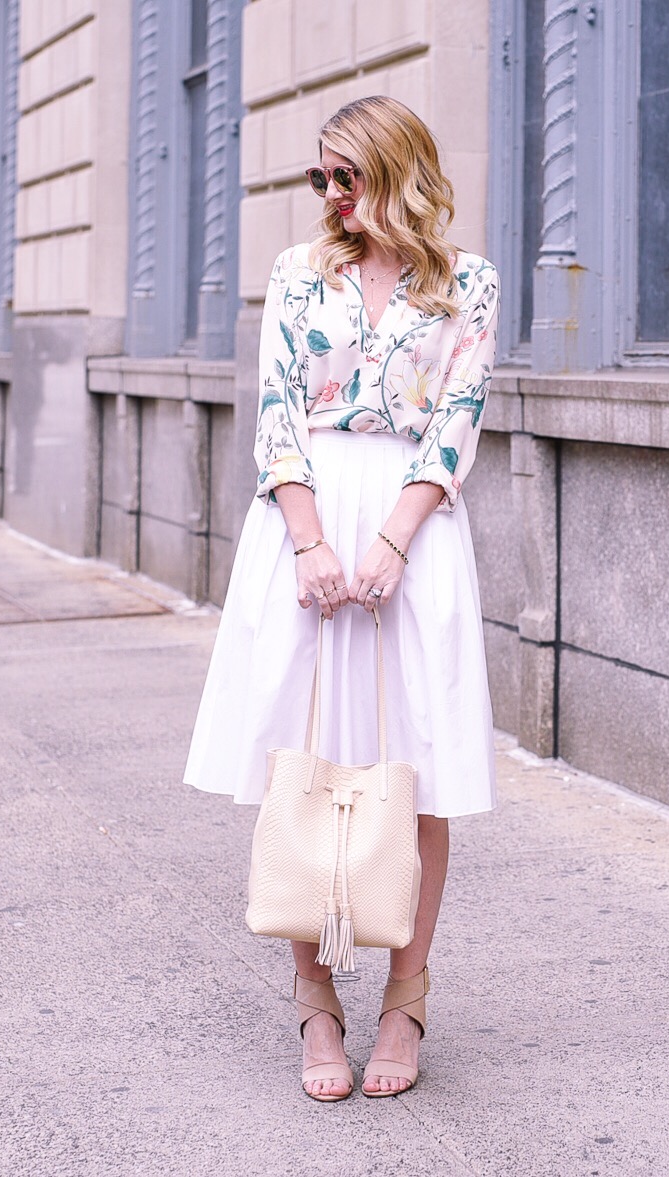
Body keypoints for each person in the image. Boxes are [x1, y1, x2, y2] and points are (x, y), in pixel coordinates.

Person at [184, 95, 500, 1102]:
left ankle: (405, 1000)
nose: (329, 195)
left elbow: (457, 421)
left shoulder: (469, 284)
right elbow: (275, 409)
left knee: (419, 770)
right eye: (319, 177)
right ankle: (315, 1004)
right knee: (302, 761)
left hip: (414, 528)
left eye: (346, 177)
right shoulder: (296, 272)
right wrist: (312, 539)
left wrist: (395, 541)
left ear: (397, 173)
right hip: (304, 523)